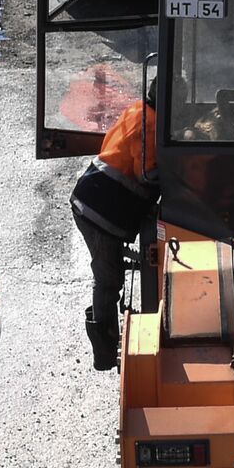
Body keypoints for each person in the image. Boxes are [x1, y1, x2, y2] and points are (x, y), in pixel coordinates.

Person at [69, 83, 159, 372]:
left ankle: (106, 342)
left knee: (109, 275)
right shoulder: (149, 122)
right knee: (108, 279)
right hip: (99, 210)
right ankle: (105, 353)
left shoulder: (139, 110)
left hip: (92, 199)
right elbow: (148, 172)